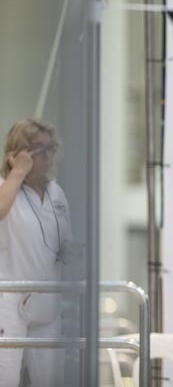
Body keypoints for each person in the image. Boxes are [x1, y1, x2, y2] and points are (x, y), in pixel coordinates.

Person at [0, 118, 71, 387]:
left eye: (51, 148)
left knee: (51, 380)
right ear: (20, 153)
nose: (47, 156)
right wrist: (17, 172)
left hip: (48, 303)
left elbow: (66, 243)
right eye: (39, 149)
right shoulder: (5, 187)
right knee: (6, 378)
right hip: (9, 304)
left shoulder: (56, 193)